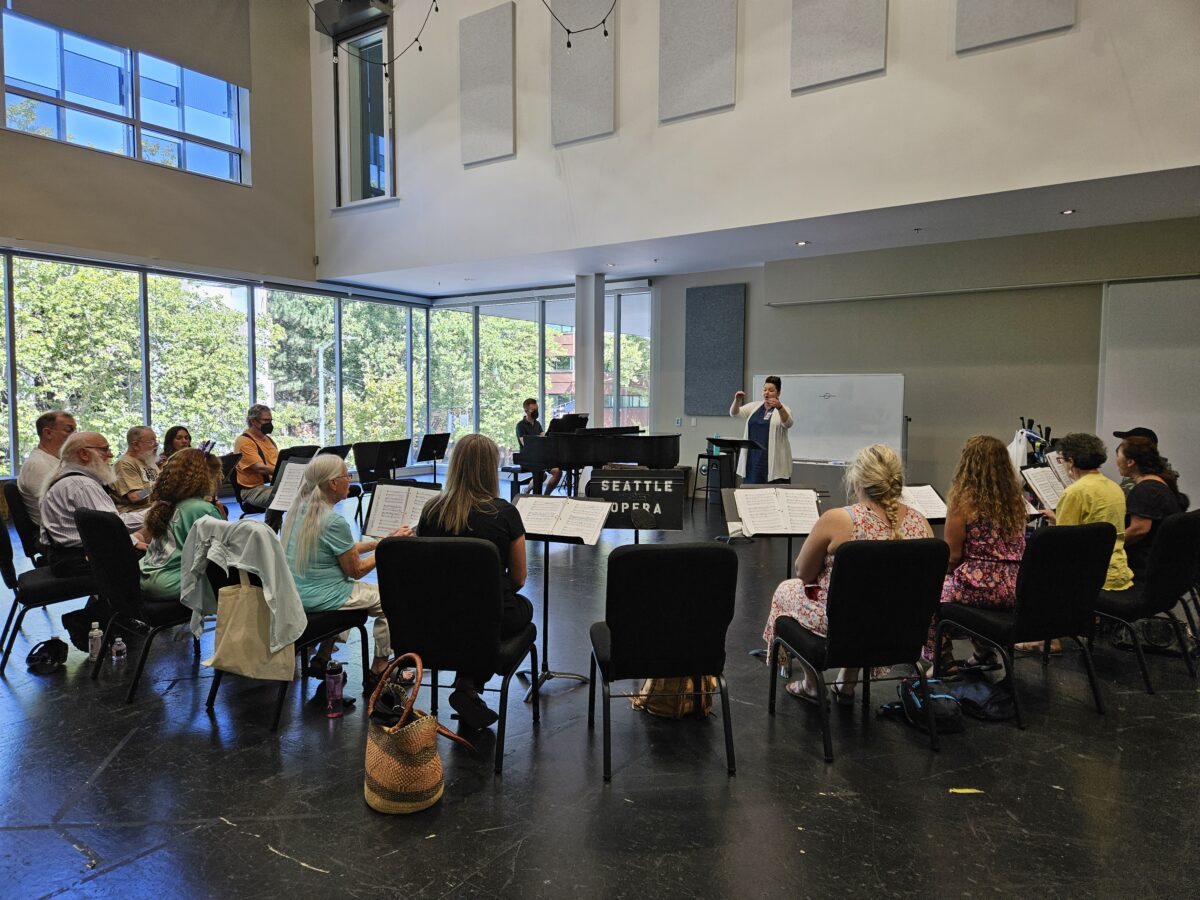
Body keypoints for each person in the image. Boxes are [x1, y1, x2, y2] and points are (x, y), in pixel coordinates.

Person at [762, 444, 932, 704]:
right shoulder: (921, 523)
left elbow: (804, 573)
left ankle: (811, 685)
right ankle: (847, 683)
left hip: (843, 627)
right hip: (900, 626)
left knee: (787, 589)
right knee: (869, 602)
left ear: (857, 481)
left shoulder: (839, 520)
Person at [417, 433, 533, 729]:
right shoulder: (504, 513)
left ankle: (467, 681)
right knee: (521, 611)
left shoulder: (431, 511)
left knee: (465, 618)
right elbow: (519, 579)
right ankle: (468, 681)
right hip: (491, 616)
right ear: (490, 468)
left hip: (436, 617)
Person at [281, 453, 409, 692]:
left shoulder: (300, 511)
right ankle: (379, 668)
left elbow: (341, 552)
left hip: (298, 593)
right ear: (332, 483)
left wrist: (381, 542)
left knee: (349, 587)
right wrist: (389, 549)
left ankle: (323, 656)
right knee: (393, 600)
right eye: (346, 475)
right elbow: (357, 570)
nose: (349, 479)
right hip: (324, 596)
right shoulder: (332, 521)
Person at [923, 436, 1028, 672]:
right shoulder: (1016, 500)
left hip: (979, 585)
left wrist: (939, 576)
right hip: (1016, 586)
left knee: (928, 594)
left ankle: (942, 659)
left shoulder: (963, 501)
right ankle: (983, 654)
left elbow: (952, 557)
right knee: (960, 590)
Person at [39, 432, 145, 577]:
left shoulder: (69, 479)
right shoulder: (83, 485)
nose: (110, 455)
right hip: (78, 560)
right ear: (84, 454)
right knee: (161, 559)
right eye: (105, 449)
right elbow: (115, 526)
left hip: (64, 555)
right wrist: (154, 513)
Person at [1045, 432, 1133, 592]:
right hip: (1117, 571)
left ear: (1071, 461)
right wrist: (1057, 519)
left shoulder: (1075, 492)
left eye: (1062, 460)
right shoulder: (1114, 487)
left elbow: (1063, 543)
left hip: (1089, 577)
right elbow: (1093, 528)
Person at [140, 449, 226, 599]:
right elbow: (223, 553)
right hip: (172, 583)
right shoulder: (200, 508)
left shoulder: (170, 503)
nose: (222, 477)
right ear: (206, 477)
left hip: (148, 577)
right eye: (218, 473)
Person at [1116, 436, 1189, 578]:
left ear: (1130, 462)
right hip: (1163, 563)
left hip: (1143, 566)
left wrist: (1109, 545)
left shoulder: (1145, 490)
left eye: (1118, 456)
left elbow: (1139, 529)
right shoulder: (1160, 482)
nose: (1116, 461)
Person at [17, 410, 76, 527]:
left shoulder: (57, 461)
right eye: (69, 430)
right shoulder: (38, 465)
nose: (75, 436)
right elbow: (58, 508)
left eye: (75, 431)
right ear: (48, 433)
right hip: (56, 536)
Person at [730, 376, 794, 484]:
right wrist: (737, 400)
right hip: (752, 460)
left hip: (773, 462)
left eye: (771, 390)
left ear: (778, 393)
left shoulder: (784, 408)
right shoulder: (755, 406)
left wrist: (780, 408)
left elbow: (788, 423)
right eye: (764, 390)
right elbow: (734, 413)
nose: (766, 393)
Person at [233, 404, 279, 518]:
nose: (269, 424)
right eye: (266, 420)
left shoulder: (268, 440)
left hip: (271, 486)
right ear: (254, 421)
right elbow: (260, 467)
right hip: (252, 490)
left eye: (270, 420)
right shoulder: (244, 441)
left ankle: (272, 531)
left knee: (304, 493)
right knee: (283, 497)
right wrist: (285, 471)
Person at [515, 397, 561, 495]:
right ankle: (527, 490)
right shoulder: (520, 425)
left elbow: (544, 438)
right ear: (526, 411)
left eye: (537, 409)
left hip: (540, 458)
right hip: (527, 458)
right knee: (541, 475)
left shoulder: (537, 424)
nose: (536, 412)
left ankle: (546, 495)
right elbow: (525, 443)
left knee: (557, 472)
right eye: (533, 410)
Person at [111, 426, 160, 512]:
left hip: (152, 508)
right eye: (151, 441)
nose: (156, 444)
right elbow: (135, 496)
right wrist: (158, 487)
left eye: (155, 440)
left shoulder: (149, 461)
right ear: (136, 445)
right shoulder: (124, 463)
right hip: (136, 512)